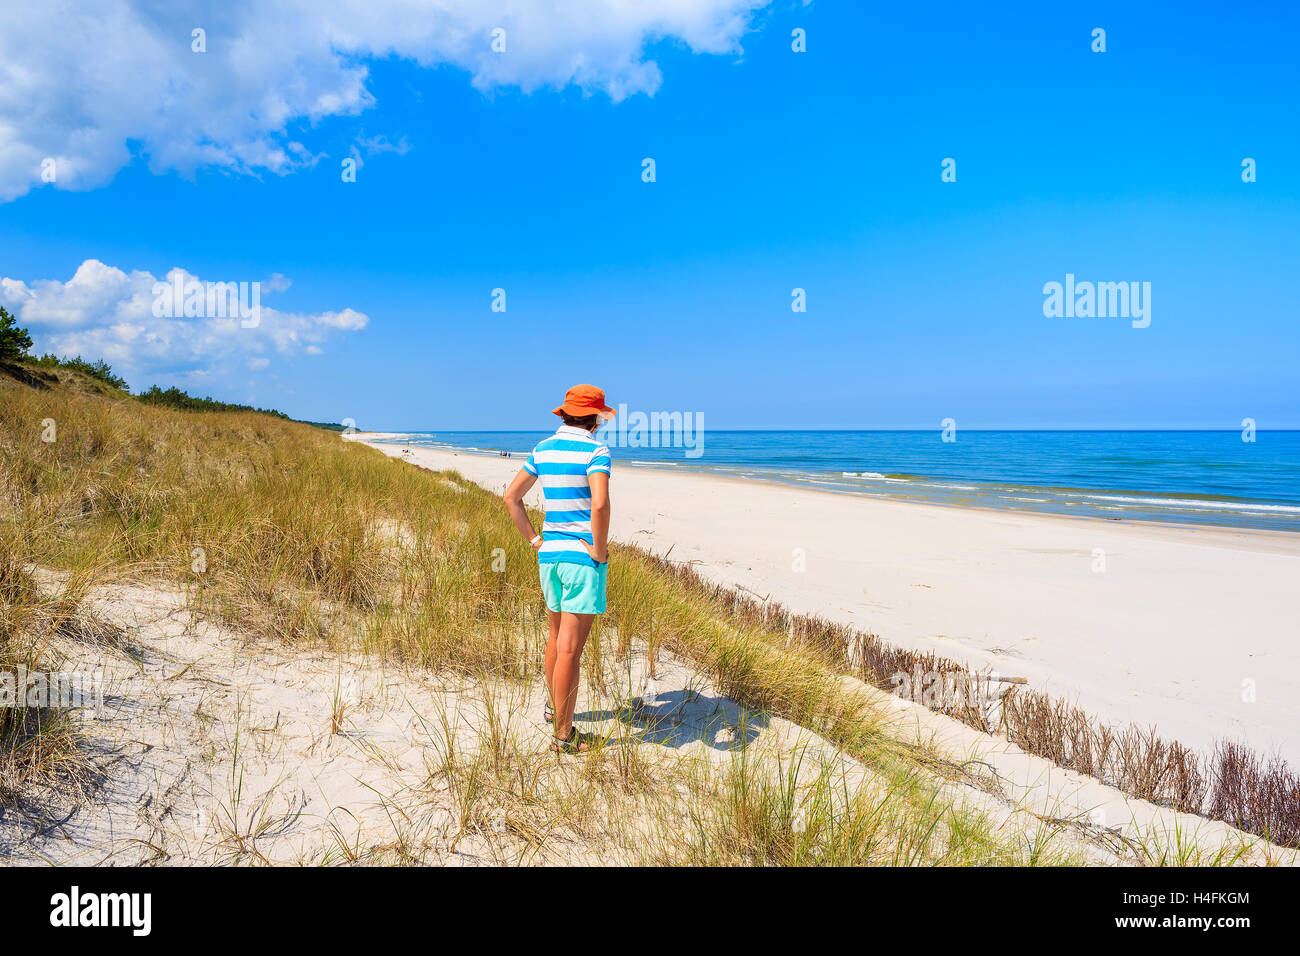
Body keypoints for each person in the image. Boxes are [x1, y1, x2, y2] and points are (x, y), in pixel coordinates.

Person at [503, 384, 614, 754]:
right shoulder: (596, 451)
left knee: (555, 638)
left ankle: (554, 710)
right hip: (581, 559)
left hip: (549, 557)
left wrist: (536, 540)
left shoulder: (542, 449)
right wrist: (598, 550)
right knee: (570, 649)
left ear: (564, 414)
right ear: (595, 418)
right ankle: (564, 737)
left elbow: (511, 497)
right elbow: (599, 505)